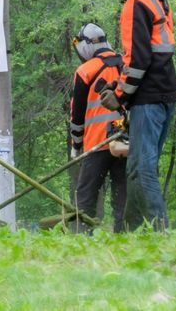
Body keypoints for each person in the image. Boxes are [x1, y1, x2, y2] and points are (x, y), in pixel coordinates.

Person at [89, 0, 176, 231]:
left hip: (149, 97)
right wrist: (121, 85)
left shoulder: (134, 3)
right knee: (135, 170)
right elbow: (152, 55)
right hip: (163, 91)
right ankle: (129, 233)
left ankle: (160, 233)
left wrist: (119, 94)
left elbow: (138, 60)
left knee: (141, 170)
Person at [69, 23, 126, 232]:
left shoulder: (85, 71)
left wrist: (76, 144)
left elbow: (76, 115)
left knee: (85, 196)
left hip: (97, 145)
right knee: (123, 195)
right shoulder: (126, 65)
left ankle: (83, 236)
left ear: (85, 45)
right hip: (125, 141)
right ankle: (124, 235)